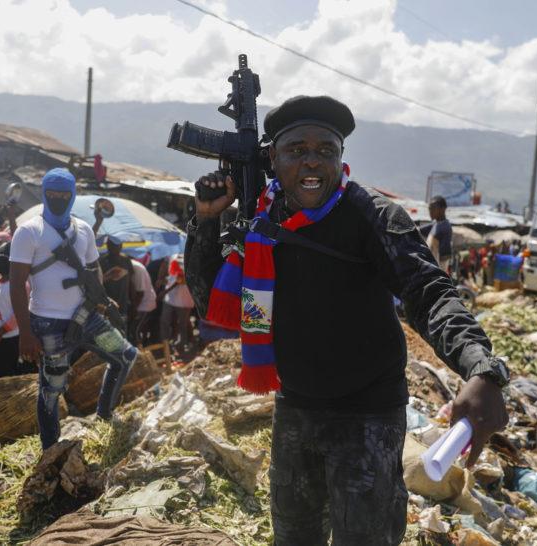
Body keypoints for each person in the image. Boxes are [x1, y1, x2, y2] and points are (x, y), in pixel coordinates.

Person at [184, 95, 509, 545]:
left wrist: (480, 367)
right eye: (297, 150)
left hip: (369, 414)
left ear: (341, 158)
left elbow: (429, 293)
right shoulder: (260, 220)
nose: (312, 163)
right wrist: (204, 221)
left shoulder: (374, 216)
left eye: (326, 151)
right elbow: (208, 301)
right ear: (272, 158)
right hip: (295, 407)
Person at [10, 168, 139, 447]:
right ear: (44, 193)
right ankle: (51, 451)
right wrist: (25, 334)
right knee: (52, 390)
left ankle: (104, 415)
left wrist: (101, 299)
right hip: (47, 324)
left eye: (64, 194)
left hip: (86, 316)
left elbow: (93, 270)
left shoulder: (83, 230)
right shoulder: (28, 231)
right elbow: (17, 284)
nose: (57, 198)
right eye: (52, 194)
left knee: (126, 356)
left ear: (73, 195)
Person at [0, 243, 28, 379]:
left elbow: (20, 312)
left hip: (10, 338)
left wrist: (1, 332)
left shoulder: (20, 283)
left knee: (4, 376)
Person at [157, 253, 194, 353]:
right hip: (170, 298)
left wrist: (165, 291)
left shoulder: (187, 254)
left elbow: (181, 279)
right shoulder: (171, 254)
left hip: (184, 299)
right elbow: (172, 274)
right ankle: (165, 347)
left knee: (182, 324)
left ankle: (181, 347)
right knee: (165, 321)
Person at [128, 256, 157, 345]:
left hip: (144, 304)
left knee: (134, 331)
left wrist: (134, 309)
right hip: (140, 302)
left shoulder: (136, 268)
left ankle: (141, 356)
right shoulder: (132, 266)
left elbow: (140, 293)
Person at [425, 195, 452, 275]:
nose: (430, 212)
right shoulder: (435, 223)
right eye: (429, 209)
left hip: (435, 273)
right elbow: (417, 230)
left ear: (442, 209)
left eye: (433, 209)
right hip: (428, 269)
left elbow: (444, 259)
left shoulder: (445, 227)